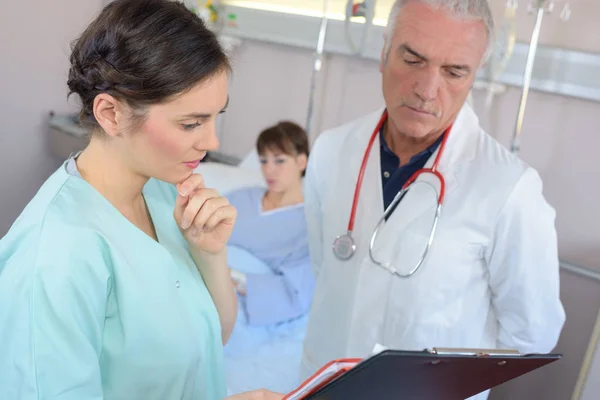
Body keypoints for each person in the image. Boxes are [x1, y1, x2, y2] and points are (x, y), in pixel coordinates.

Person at [0, 1, 281, 399]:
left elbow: (208, 339)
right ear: (111, 114)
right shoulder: (56, 258)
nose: (212, 142)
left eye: (217, 117)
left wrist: (211, 254)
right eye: (191, 124)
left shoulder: (164, 191)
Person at [300, 1, 566, 398]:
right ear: (384, 52)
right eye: (412, 59)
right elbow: (326, 267)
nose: (426, 90)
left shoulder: (510, 189)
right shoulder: (331, 151)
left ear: (474, 75)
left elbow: (532, 333)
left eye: (454, 71)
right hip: (322, 381)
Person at [226, 121, 315, 326]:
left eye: (279, 161)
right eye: (264, 161)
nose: (269, 170)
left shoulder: (308, 227)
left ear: (301, 162)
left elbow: (296, 291)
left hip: (244, 302)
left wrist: (235, 279)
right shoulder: (241, 198)